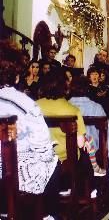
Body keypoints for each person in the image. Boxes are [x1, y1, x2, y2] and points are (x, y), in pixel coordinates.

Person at [0, 40, 59, 218]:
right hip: (13, 175)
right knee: (53, 160)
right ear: (16, 74)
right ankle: (46, 215)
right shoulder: (25, 103)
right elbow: (42, 148)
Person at [69, 75, 109, 183]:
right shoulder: (96, 107)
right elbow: (108, 136)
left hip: (68, 152)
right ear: (88, 88)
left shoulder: (66, 106)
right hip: (93, 152)